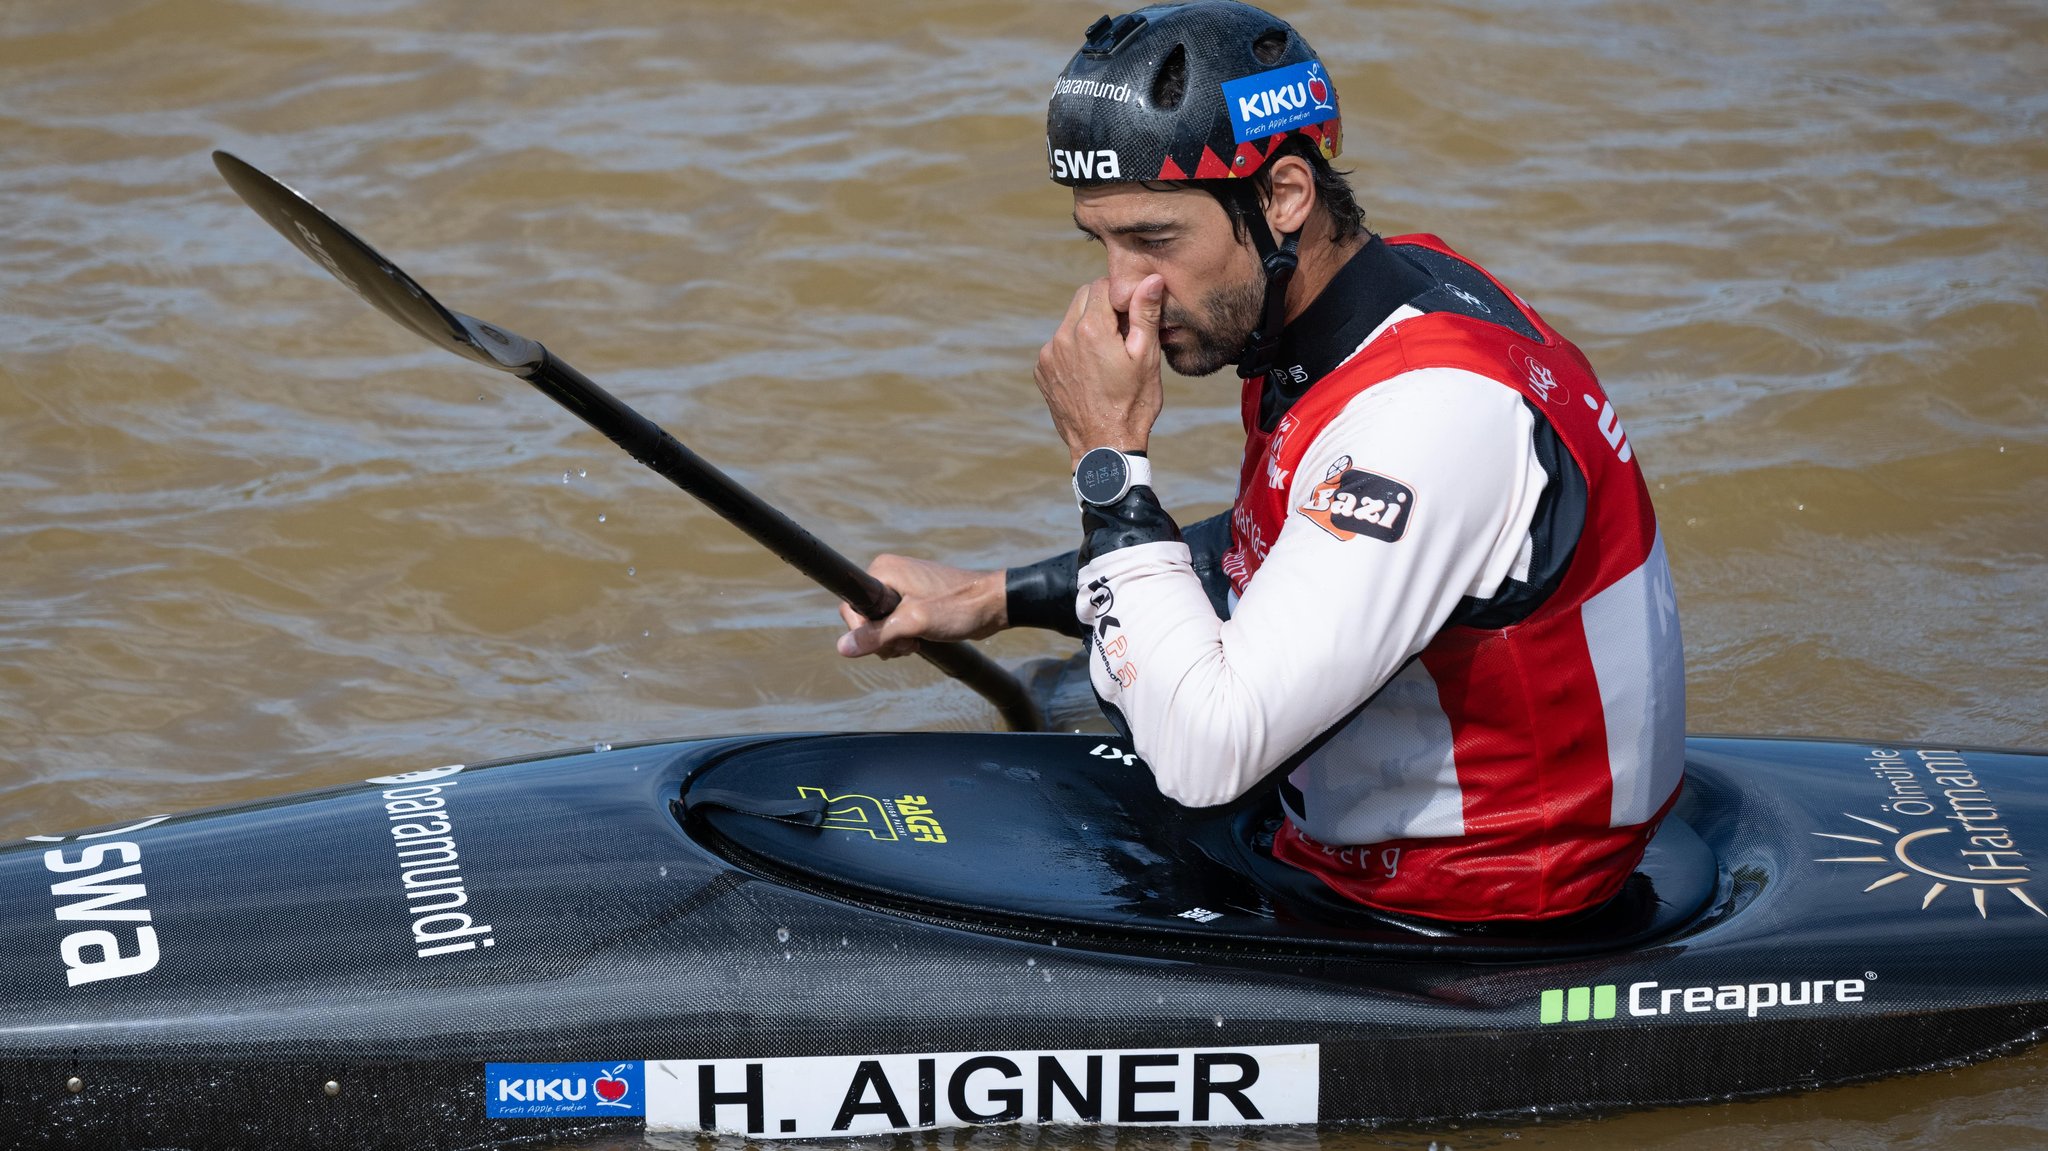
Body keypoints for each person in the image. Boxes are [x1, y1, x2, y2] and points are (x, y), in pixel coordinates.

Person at [836, 0, 1685, 923]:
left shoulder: (1428, 416)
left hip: (1468, 911)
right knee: (1084, 701)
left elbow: (1206, 759)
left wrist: (1108, 462)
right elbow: (1283, 543)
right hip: (1350, 826)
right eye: (1102, 242)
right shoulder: (1381, 299)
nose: (1125, 294)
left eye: (1156, 241)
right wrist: (992, 597)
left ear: (1283, 196)